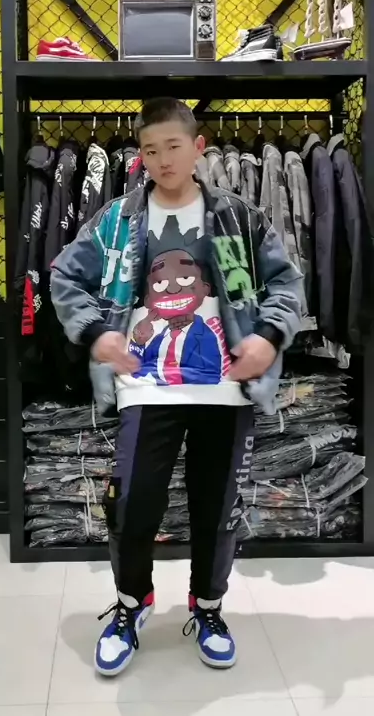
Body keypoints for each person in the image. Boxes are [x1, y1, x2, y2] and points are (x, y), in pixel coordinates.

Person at [51, 98, 303, 677]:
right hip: (145, 386)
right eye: (150, 150)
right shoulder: (118, 219)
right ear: (139, 156)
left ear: (198, 147)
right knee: (133, 504)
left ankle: (208, 608)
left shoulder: (237, 217)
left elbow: (287, 283)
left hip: (225, 388)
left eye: (173, 146)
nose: (163, 159)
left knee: (217, 509)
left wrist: (268, 336)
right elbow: (63, 274)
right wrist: (95, 332)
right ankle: (131, 604)